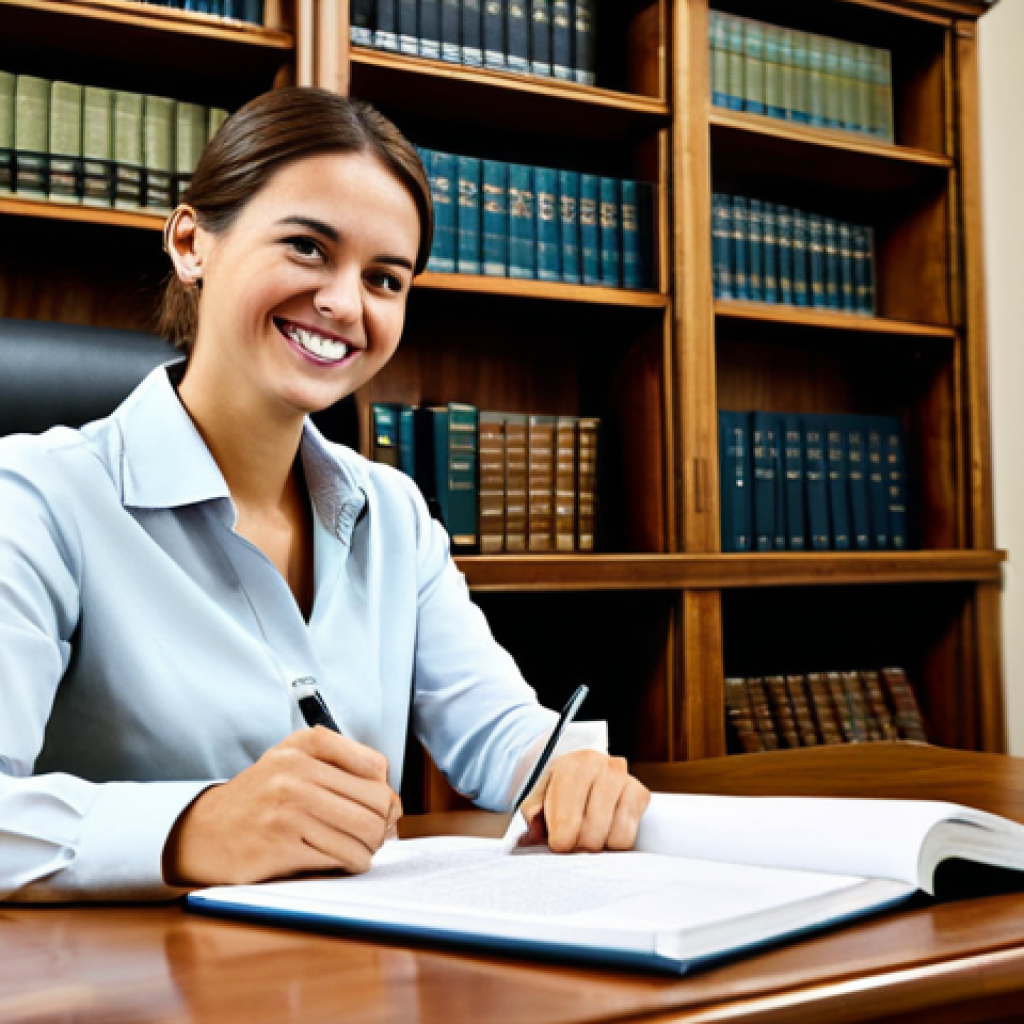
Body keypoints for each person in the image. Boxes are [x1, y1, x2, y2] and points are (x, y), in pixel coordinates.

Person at [0, 88, 649, 900]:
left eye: (385, 279)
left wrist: (567, 769)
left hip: (350, 975)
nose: (346, 304)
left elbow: (498, 730)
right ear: (192, 242)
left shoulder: (395, 513)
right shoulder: (35, 500)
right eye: (308, 248)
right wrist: (194, 827)